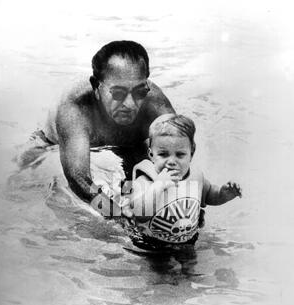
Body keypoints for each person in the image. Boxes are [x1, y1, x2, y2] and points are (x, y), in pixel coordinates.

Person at [37, 40, 175, 213]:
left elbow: (180, 159)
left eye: (139, 92)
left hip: (132, 145)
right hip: (51, 141)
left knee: (138, 181)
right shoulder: (75, 108)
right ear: (96, 87)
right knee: (28, 175)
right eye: (118, 93)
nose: (130, 104)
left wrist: (192, 202)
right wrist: (117, 216)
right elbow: (79, 180)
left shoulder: (155, 105)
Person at [129, 113, 242, 250]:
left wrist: (224, 194)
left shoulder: (195, 177)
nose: (171, 161)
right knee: (160, 270)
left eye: (180, 155)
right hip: (150, 242)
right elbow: (139, 215)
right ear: (151, 154)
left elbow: (209, 195)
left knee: (191, 268)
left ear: (191, 153)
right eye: (163, 154)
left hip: (188, 240)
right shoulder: (145, 180)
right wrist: (158, 185)